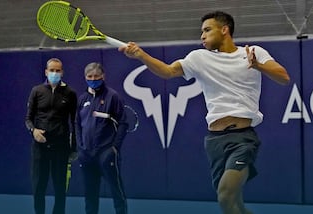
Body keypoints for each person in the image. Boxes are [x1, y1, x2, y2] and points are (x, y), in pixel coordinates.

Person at [119, 11, 290, 214]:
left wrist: (258, 66)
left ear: (224, 30)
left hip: (243, 139)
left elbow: (283, 77)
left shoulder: (253, 52)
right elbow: (168, 71)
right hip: (215, 141)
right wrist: (140, 54)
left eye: (207, 30)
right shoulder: (199, 58)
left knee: (225, 197)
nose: (202, 36)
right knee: (236, 204)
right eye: (202, 31)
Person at [25, 58, 77, 214]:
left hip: (61, 149)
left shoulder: (70, 93)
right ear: (46, 72)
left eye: (58, 70)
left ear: (62, 72)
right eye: (52, 70)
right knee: (38, 188)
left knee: (60, 189)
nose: (55, 73)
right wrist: (33, 131)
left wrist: (73, 148)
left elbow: (74, 122)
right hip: (40, 149)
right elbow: (28, 118)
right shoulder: (37, 91)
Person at [75, 62, 128, 214]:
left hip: (106, 154)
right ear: (85, 77)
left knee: (117, 192)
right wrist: (80, 146)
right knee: (90, 196)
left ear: (103, 77)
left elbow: (123, 123)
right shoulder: (82, 99)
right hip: (86, 155)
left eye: (96, 76)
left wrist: (114, 148)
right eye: (89, 77)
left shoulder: (113, 97)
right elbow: (76, 123)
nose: (93, 79)